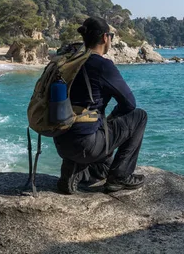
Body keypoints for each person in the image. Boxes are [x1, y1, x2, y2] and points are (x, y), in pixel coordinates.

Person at [53, 16, 148, 194]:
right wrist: (112, 118)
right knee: (140, 116)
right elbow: (129, 104)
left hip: (61, 140)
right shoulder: (102, 65)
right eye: (111, 35)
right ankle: (119, 178)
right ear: (105, 38)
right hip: (86, 144)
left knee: (104, 168)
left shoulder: (70, 62)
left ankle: (77, 171)